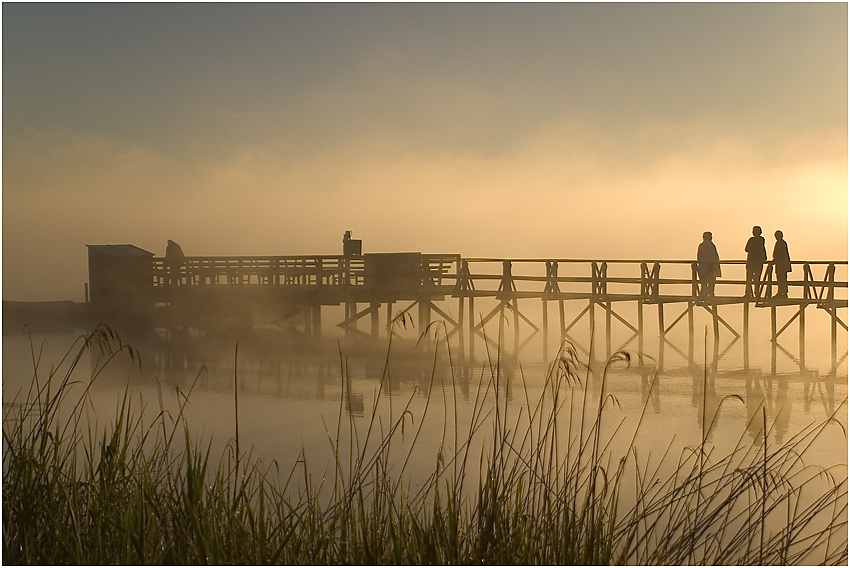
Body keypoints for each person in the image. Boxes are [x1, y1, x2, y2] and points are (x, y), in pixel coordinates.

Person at [697, 231, 721, 298]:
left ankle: (703, 295)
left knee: (704, 283)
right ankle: (710, 294)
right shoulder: (711, 245)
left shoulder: (701, 245)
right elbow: (714, 257)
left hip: (703, 267)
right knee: (711, 282)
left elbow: (699, 257)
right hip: (710, 267)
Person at [744, 226, 767, 298]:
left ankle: (749, 293)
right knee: (757, 278)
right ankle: (756, 293)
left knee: (749, 278)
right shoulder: (761, 239)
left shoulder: (752, 240)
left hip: (752, 261)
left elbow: (746, 249)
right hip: (758, 262)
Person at [772, 230, 791, 298]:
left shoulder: (781, 243)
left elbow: (779, 254)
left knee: (781, 279)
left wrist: (774, 260)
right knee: (781, 279)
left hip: (781, 265)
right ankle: (782, 292)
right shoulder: (781, 243)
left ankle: (782, 293)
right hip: (781, 264)